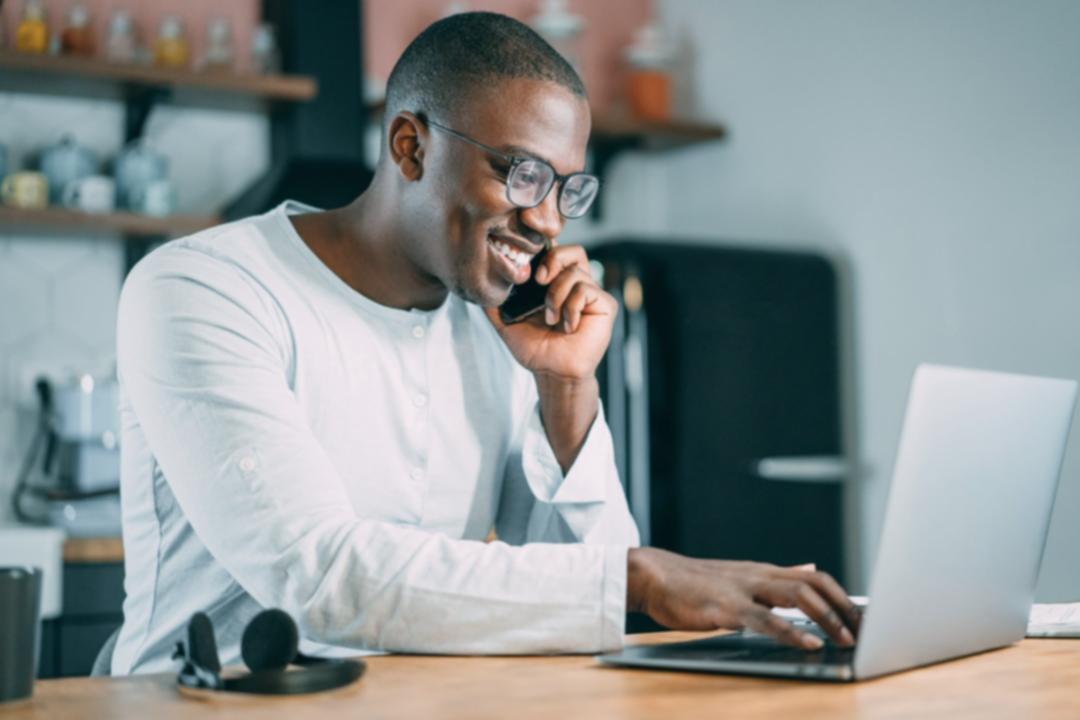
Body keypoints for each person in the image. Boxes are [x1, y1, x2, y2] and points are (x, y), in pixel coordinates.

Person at [112, 12, 858, 674]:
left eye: (568, 189)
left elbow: (577, 597)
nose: (551, 224)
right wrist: (642, 577)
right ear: (410, 146)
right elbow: (321, 580)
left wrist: (566, 388)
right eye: (524, 174)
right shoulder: (205, 289)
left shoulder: (491, 323)